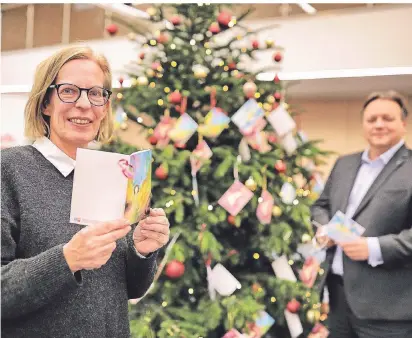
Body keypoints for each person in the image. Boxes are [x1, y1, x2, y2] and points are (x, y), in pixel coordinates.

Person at [1, 45, 170, 338]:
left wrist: (141, 251)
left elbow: (129, 289)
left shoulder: (120, 173)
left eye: (96, 94)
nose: (84, 104)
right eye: (69, 91)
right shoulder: (9, 170)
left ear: (104, 107)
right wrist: (67, 258)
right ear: (45, 103)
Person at [311, 90, 412, 338]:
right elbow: (321, 205)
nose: (379, 125)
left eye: (387, 118)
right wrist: (324, 228)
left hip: (388, 307)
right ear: (363, 125)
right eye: (371, 119)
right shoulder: (344, 164)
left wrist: (375, 247)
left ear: (404, 123)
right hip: (338, 295)